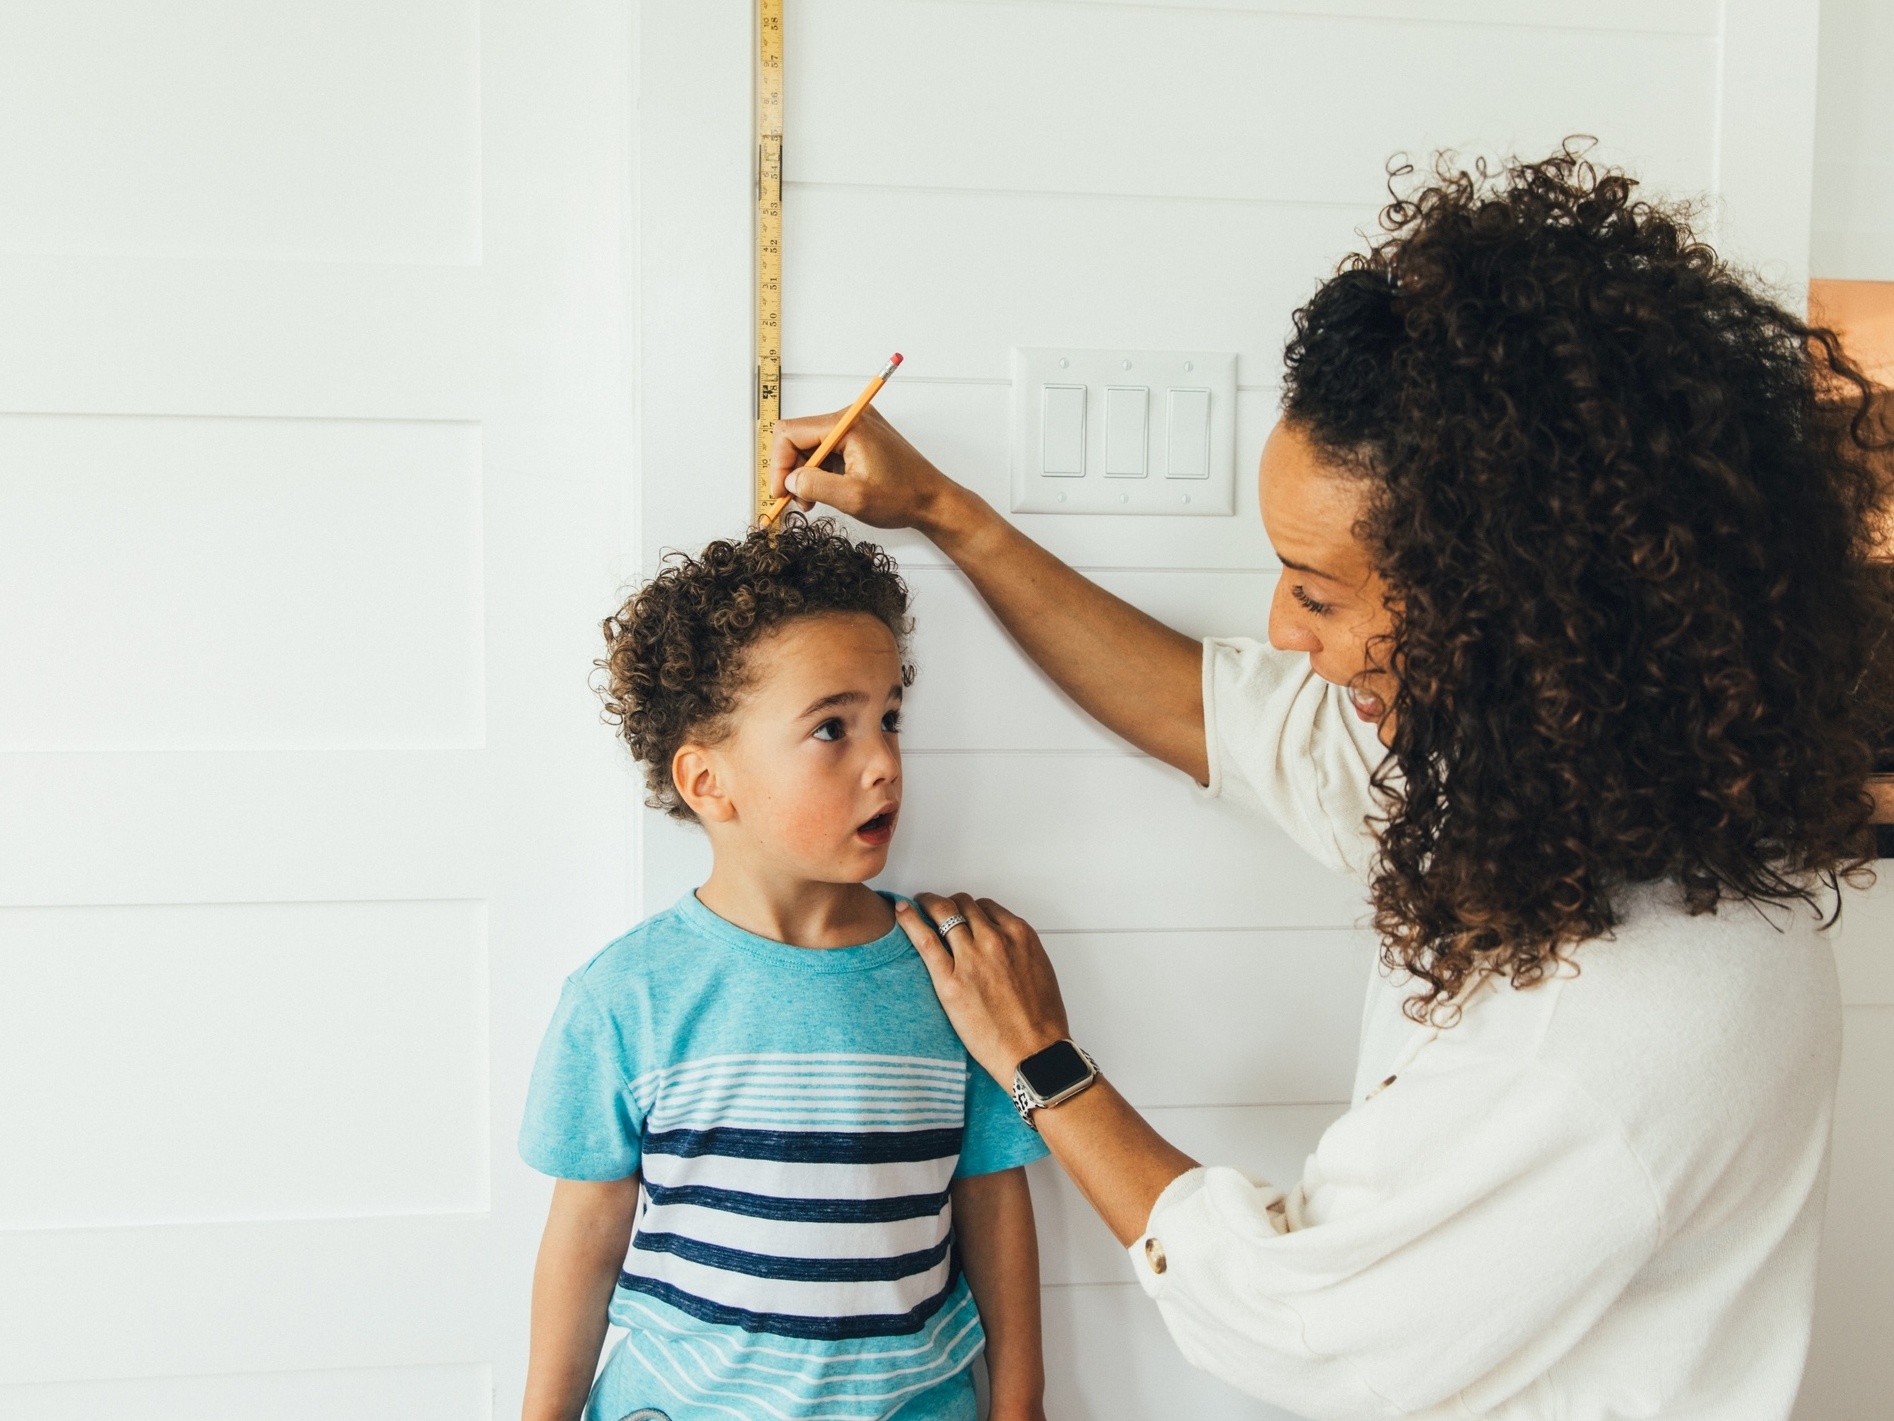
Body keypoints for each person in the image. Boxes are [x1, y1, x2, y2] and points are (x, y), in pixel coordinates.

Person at [767, 151, 1894, 1419]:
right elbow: (1225, 717)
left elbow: (1305, 1328)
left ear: (1511, 602)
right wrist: (947, 513)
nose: (1284, 629)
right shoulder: (1575, 792)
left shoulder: (1610, 1024)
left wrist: (1046, 1066)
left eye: (1317, 588)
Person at [518, 519, 1049, 1421]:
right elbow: (585, 1237)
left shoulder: (954, 974)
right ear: (708, 781)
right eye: (832, 728)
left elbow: (992, 1198)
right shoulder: (626, 997)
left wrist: (1022, 1400)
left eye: (888, 718)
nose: (884, 761)